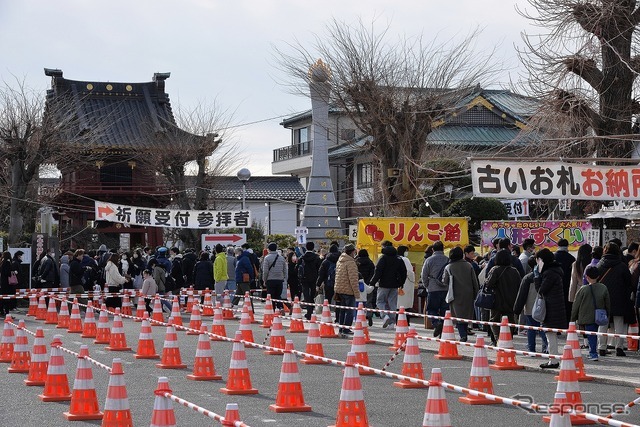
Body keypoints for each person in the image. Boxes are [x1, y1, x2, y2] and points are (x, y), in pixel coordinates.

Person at [597, 242, 634, 357]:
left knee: (603, 323)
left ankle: (601, 347)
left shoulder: (599, 265)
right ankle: (619, 347)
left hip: (603, 298)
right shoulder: (622, 265)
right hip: (620, 298)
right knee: (619, 324)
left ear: (605, 251)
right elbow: (629, 283)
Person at [534, 248, 567, 368]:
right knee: (551, 334)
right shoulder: (555, 270)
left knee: (550, 334)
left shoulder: (549, 273)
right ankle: (553, 359)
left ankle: (553, 360)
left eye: (538, 260)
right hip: (555, 306)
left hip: (551, 308)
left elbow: (541, 290)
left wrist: (537, 277)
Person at [571, 265, 610, 361]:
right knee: (594, 334)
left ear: (586, 276)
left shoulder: (583, 289)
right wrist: (607, 314)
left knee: (591, 336)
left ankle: (593, 353)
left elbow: (576, 305)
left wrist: (572, 318)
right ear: (598, 276)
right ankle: (593, 351)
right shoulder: (603, 287)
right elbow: (607, 303)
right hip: (599, 315)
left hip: (586, 316)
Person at [484, 249, 521, 346]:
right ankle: (508, 338)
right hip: (511, 300)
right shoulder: (514, 271)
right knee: (510, 321)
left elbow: (488, 284)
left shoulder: (495, 269)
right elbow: (519, 285)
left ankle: (498, 339)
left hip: (497, 300)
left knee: (494, 320)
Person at [441, 246, 479, 342]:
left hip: (455, 294)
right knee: (465, 315)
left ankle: (463, 335)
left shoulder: (448, 267)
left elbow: (444, 282)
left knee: (458, 316)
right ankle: (464, 333)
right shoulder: (469, 265)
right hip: (468, 294)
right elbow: (475, 281)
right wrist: (475, 294)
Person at [513, 256, 548, 354]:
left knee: (531, 329)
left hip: (529, 307)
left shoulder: (527, 278)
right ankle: (545, 348)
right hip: (543, 307)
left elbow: (522, 295)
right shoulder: (544, 276)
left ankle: (531, 348)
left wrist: (517, 309)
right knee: (542, 329)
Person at [370, 240, 407, 329]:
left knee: (380, 301)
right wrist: (402, 283)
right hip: (395, 285)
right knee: (392, 304)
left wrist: (372, 282)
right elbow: (404, 272)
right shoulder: (398, 258)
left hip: (383, 284)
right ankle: (392, 323)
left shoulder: (383, 258)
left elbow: (378, 271)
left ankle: (384, 316)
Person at [420, 240, 449, 336]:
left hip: (433, 288)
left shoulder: (429, 260)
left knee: (432, 309)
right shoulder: (447, 259)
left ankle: (436, 323)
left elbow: (424, 275)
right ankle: (444, 330)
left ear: (433, 249)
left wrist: (427, 285)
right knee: (444, 310)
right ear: (443, 249)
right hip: (445, 288)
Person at [334, 243, 360, 336]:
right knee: (350, 311)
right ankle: (347, 328)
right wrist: (357, 293)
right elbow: (353, 279)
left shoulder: (340, 261)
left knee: (342, 310)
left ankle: (341, 328)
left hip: (340, 289)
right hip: (348, 290)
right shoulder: (351, 263)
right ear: (352, 251)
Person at [297, 242, 322, 320]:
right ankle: (311, 310)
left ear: (306, 247)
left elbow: (297, 268)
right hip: (314, 279)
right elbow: (320, 270)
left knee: (306, 294)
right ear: (313, 247)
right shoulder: (317, 258)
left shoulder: (302, 257)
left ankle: (309, 312)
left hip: (304, 279)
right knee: (312, 294)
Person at [554, 238, 576, 323]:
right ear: (567, 246)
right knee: (567, 306)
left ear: (558, 245)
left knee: (556, 306)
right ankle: (566, 325)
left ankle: (557, 326)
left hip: (555, 285)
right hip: (567, 285)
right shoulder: (571, 258)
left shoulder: (553, 257)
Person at [262, 242, 288, 311]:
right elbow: (285, 270)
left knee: (271, 296)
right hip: (280, 279)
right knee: (278, 295)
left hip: (270, 279)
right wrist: (285, 278)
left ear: (268, 249)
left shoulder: (267, 258)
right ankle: (280, 307)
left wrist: (264, 280)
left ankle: (273, 310)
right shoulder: (282, 258)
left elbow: (265, 271)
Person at [316, 245, 340, 311]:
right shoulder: (341, 260)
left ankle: (327, 314)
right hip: (339, 283)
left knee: (327, 299)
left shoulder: (326, 261)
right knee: (338, 300)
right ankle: (338, 318)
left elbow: (321, 274)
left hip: (328, 283)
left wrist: (318, 284)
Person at [356, 249, 376, 326]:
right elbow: (373, 274)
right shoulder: (370, 263)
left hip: (357, 284)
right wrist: (370, 282)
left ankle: (358, 315)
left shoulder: (356, 262)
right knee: (368, 301)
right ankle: (369, 314)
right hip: (367, 284)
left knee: (357, 301)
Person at [396, 245, 415, 317]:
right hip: (406, 283)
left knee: (398, 303)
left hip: (397, 283)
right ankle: (406, 320)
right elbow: (409, 272)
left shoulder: (395, 259)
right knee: (405, 303)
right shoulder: (405, 260)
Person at [0, 252, 12, 317]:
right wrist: (12, 272)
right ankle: (7, 312)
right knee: (7, 297)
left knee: (2, 297)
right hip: (6, 282)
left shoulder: (2, 262)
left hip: (2, 282)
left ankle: (2, 311)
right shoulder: (7, 262)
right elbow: (7, 273)